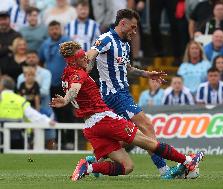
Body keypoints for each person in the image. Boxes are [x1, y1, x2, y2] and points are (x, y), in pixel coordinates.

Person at [50, 41, 205, 181]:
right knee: (148, 142)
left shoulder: (68, 73)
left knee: (127, 166)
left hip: (90, 127)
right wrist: (65, 100)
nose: (86, 58)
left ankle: (89, 167)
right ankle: (187, 161)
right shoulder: (79, 74)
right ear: (74, 60)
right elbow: (75, 90)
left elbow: (80, 77)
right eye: (82, 56)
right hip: (104, 119)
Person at [86, 9, 173, 176]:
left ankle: (95, 159)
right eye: (132, 27)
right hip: (114, 94)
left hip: (121, 93)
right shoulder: (106, 39)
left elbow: (126, 68)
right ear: (122, 23)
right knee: (146, 126)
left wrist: (147, 74)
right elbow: (90, 55)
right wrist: (83, 70)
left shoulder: (125, 43)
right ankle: (164, 170)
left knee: (130, 136)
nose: (134, 31)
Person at [0, 75, 55, 149]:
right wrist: (47, 121)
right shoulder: (20, 100)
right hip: (18, 138)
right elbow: (33, 115)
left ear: (2, 86)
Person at [0, 11, 21, 75]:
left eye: (5, 19)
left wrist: (2, 48)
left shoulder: (16, 35)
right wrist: (9, 48)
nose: (3, 22)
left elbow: (18, 51)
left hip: (14, 70)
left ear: (9, 20)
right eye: (1, 20)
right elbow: (12, 49)